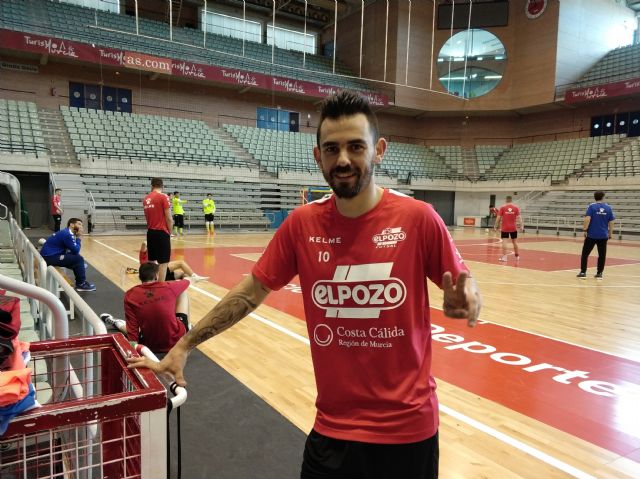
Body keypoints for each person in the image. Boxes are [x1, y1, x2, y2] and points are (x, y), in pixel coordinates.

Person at [128, 90, 482, 478]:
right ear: (318, 156)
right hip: (333, 430)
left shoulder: (419, 218)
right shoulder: (301, 225)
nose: (343, 159)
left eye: (355, 146)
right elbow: (249, 293)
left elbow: (466, 288)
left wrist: (468, 299)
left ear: (379, 150)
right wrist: (184, 345)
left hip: (407, 434)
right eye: (332, 149)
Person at [102, 262, 196, 354]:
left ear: (140, 277)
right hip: (177, 341)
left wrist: (133, 347)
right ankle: (188, 328)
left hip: (150, 346)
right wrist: (184, 276)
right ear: (156, 276)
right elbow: (188, 281)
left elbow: (132, 326)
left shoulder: (129, 295)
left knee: (133, 331)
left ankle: (116, 323)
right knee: (183, 291)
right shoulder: (168, 286)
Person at [40, 218, 95, 291]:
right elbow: (76, 250)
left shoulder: (66, 232)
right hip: (49, 258)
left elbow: (72, 250)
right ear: (72, 225)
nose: (81, 226)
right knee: (79, 259)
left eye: (82, 225)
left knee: (77, 259)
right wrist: (78, 238)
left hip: (48, 256)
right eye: (79, 224)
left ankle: (79, 269)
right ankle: (81, 284)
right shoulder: (67, 234)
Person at [577, 191, 615, 280]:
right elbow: (611, 222)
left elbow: (587, 219)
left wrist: (585, 230)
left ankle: (583, 272)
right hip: (603, 235)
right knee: (602, 255)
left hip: (591, 235)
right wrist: (610, 233)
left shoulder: (591, 207)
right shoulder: (608, 208)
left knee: (585, 254)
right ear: (603, 197)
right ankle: (599, 273)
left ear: (595, 197)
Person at [143, 178, 173, 283]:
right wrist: (170, 232)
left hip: (150, 232)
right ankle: (160, 288)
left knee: (152, 261)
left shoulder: (146, 198)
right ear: (162, 186)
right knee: (163, 263)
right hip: (161, 232)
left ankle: (151, 284)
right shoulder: (163, 197)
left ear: (152, 186)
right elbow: (169, 218)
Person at [138, 241, 208, 282]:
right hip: (159, 273)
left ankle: (188, 280)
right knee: (180, 263)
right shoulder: (143, 255)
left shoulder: (154, 255)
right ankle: (194, 277)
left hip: (162, 275)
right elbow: (144, 243)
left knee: (182, 273)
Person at [494, 195, 522, 262]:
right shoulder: (516, 208)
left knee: (505, 242)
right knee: (514, 242)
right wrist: (521, 226)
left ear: (506, 200)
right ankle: (517, 256)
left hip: (505, 228)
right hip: (513, 228)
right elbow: (519, 218)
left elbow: (498, 218)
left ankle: (504, 257)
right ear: (511, 200)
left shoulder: (503, 207)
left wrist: (495, 225)